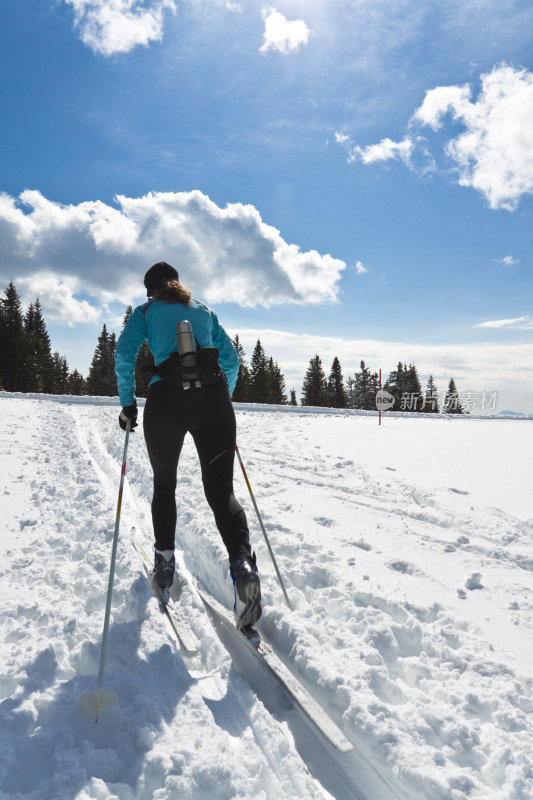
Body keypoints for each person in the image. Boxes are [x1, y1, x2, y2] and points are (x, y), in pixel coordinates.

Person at [114, 262, 261, 629]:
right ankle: (243, 565)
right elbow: (230, 358)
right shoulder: (202, 308)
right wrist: (222, 398)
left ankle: (164, 565)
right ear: (176, 283)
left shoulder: (146, 313)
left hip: (166, 404)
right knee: (221, 492)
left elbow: (123, 355)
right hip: (213, 403)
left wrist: (128, 404)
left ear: (151, 291)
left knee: (165, 485)